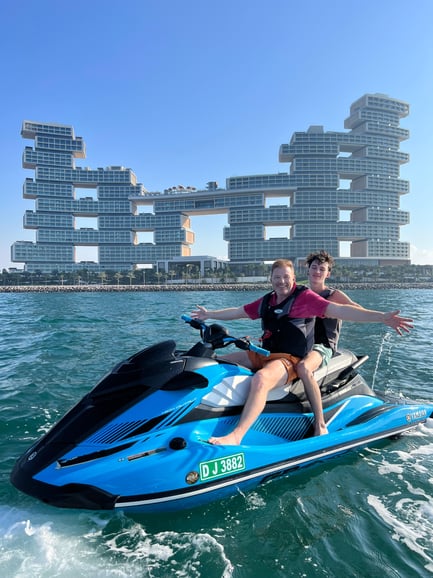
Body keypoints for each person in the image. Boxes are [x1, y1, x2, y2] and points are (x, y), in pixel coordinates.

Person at [191, 259, 412, 446]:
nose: (281, 281)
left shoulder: (305, 298)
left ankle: (237, 436)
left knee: (260, 380)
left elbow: (341, 310)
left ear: (294, 278)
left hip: (289, 358)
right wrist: (209, 314)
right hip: (264, 352)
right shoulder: (268, 300)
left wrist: (382, 317)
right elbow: (239, 312)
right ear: (271, 279)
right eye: (277, 277)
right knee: (216, 362)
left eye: (286, 277)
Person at [296, 251, 365, 436]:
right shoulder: (301, 293)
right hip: (302, 344)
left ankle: (320, 424)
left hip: (323, 346)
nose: (317, 271)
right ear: (307, 270)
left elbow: (357, 311)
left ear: (328, 273)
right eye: (314, 267)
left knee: (303, 368)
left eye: (322, 269)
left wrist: (337, 311)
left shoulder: (333, 295)